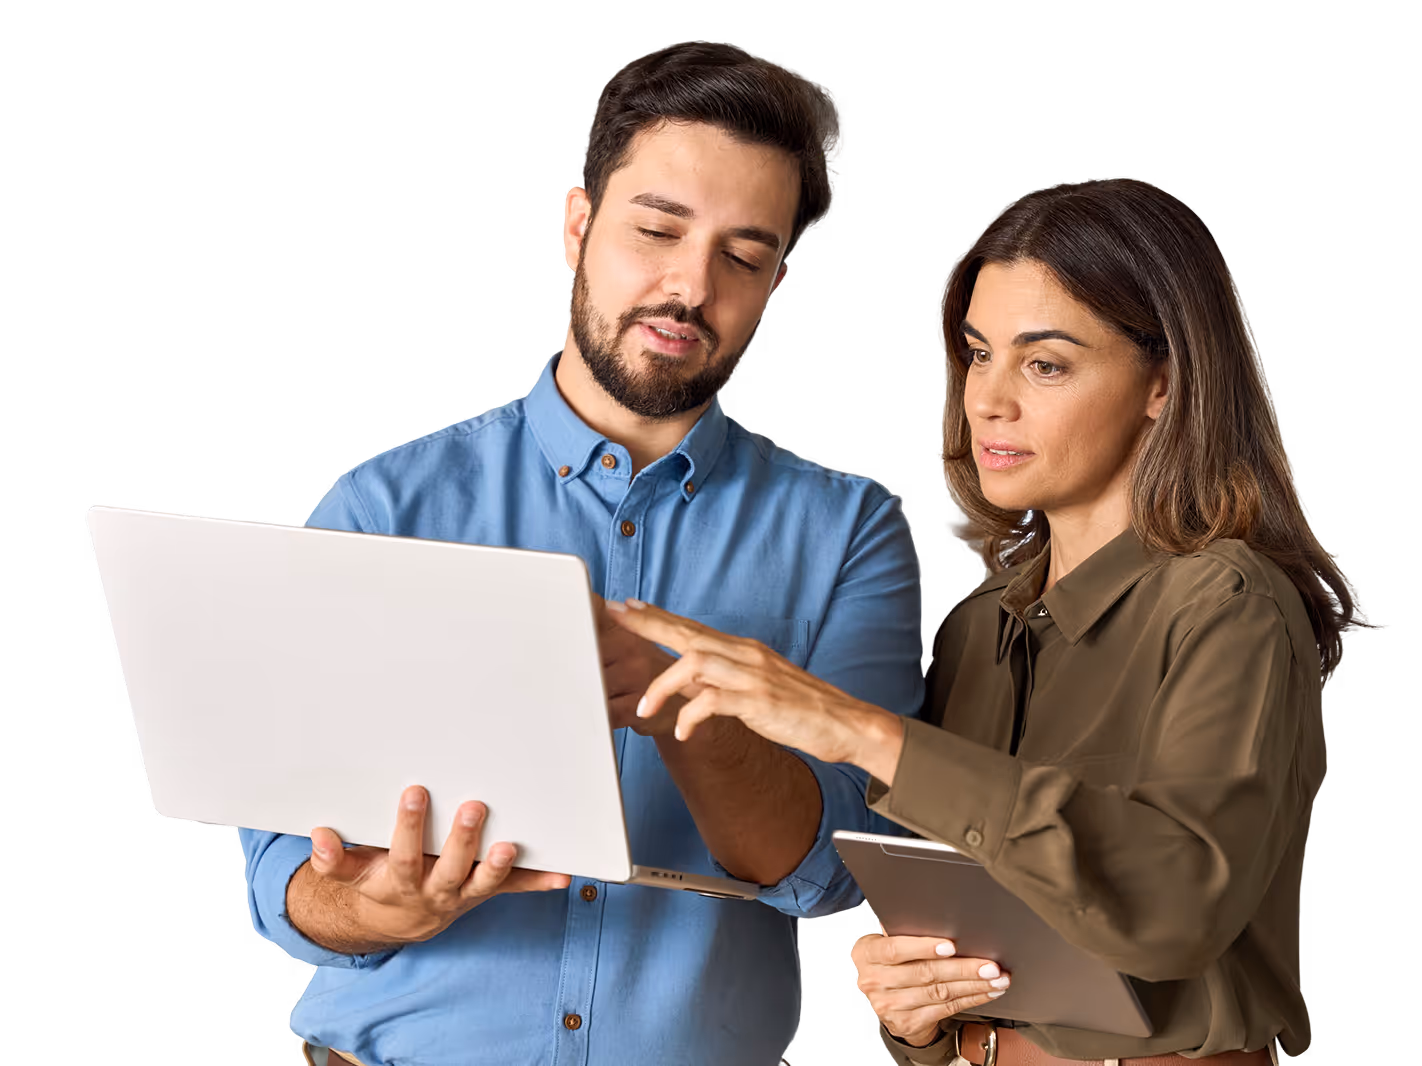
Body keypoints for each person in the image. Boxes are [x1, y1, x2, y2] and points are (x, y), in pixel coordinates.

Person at [234, 41, 929, 1066]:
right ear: (577, 226)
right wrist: (373, 905)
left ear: (777, 281)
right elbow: (282, 880)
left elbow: (835, 872)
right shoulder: (381, 506)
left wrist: (681, 694)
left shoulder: (852, 531)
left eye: (742, 257)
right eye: (656, 230)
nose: (689, 287)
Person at [608, 177, 1384, 1065]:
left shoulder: (1229, 603)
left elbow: (1173, 912)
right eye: (978, 354)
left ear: (1163, 383)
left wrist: (862, 730)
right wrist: (915, 1013)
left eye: (1044, 363)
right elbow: (967, 946)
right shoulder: (975, 629)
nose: (988, 401)